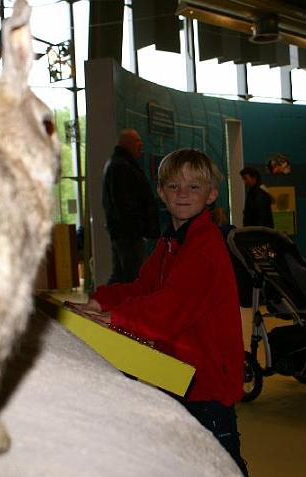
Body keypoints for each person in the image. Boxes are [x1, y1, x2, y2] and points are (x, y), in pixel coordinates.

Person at [71, 149, 248, 475]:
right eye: (174, 186)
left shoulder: (204, 247)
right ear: (161, 192)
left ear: (211, 194)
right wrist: (101, 301)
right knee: (188, 461)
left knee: (221, 464)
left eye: (194, 187)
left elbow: (170, 306)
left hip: (207, 381)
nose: (183, 194)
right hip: (177, 373)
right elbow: (143, 287)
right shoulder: (171, 242)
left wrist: (118, 318)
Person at [102, 128, 160, 284]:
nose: (141, 146)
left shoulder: (117, 164)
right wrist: (140, 227)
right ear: (127, 144)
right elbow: (125, 203)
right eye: (137, 142)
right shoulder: (123, 166)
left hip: (124, 232)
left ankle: (106, 298)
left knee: (121, 274)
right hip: (129, 233)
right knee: (133, 276)